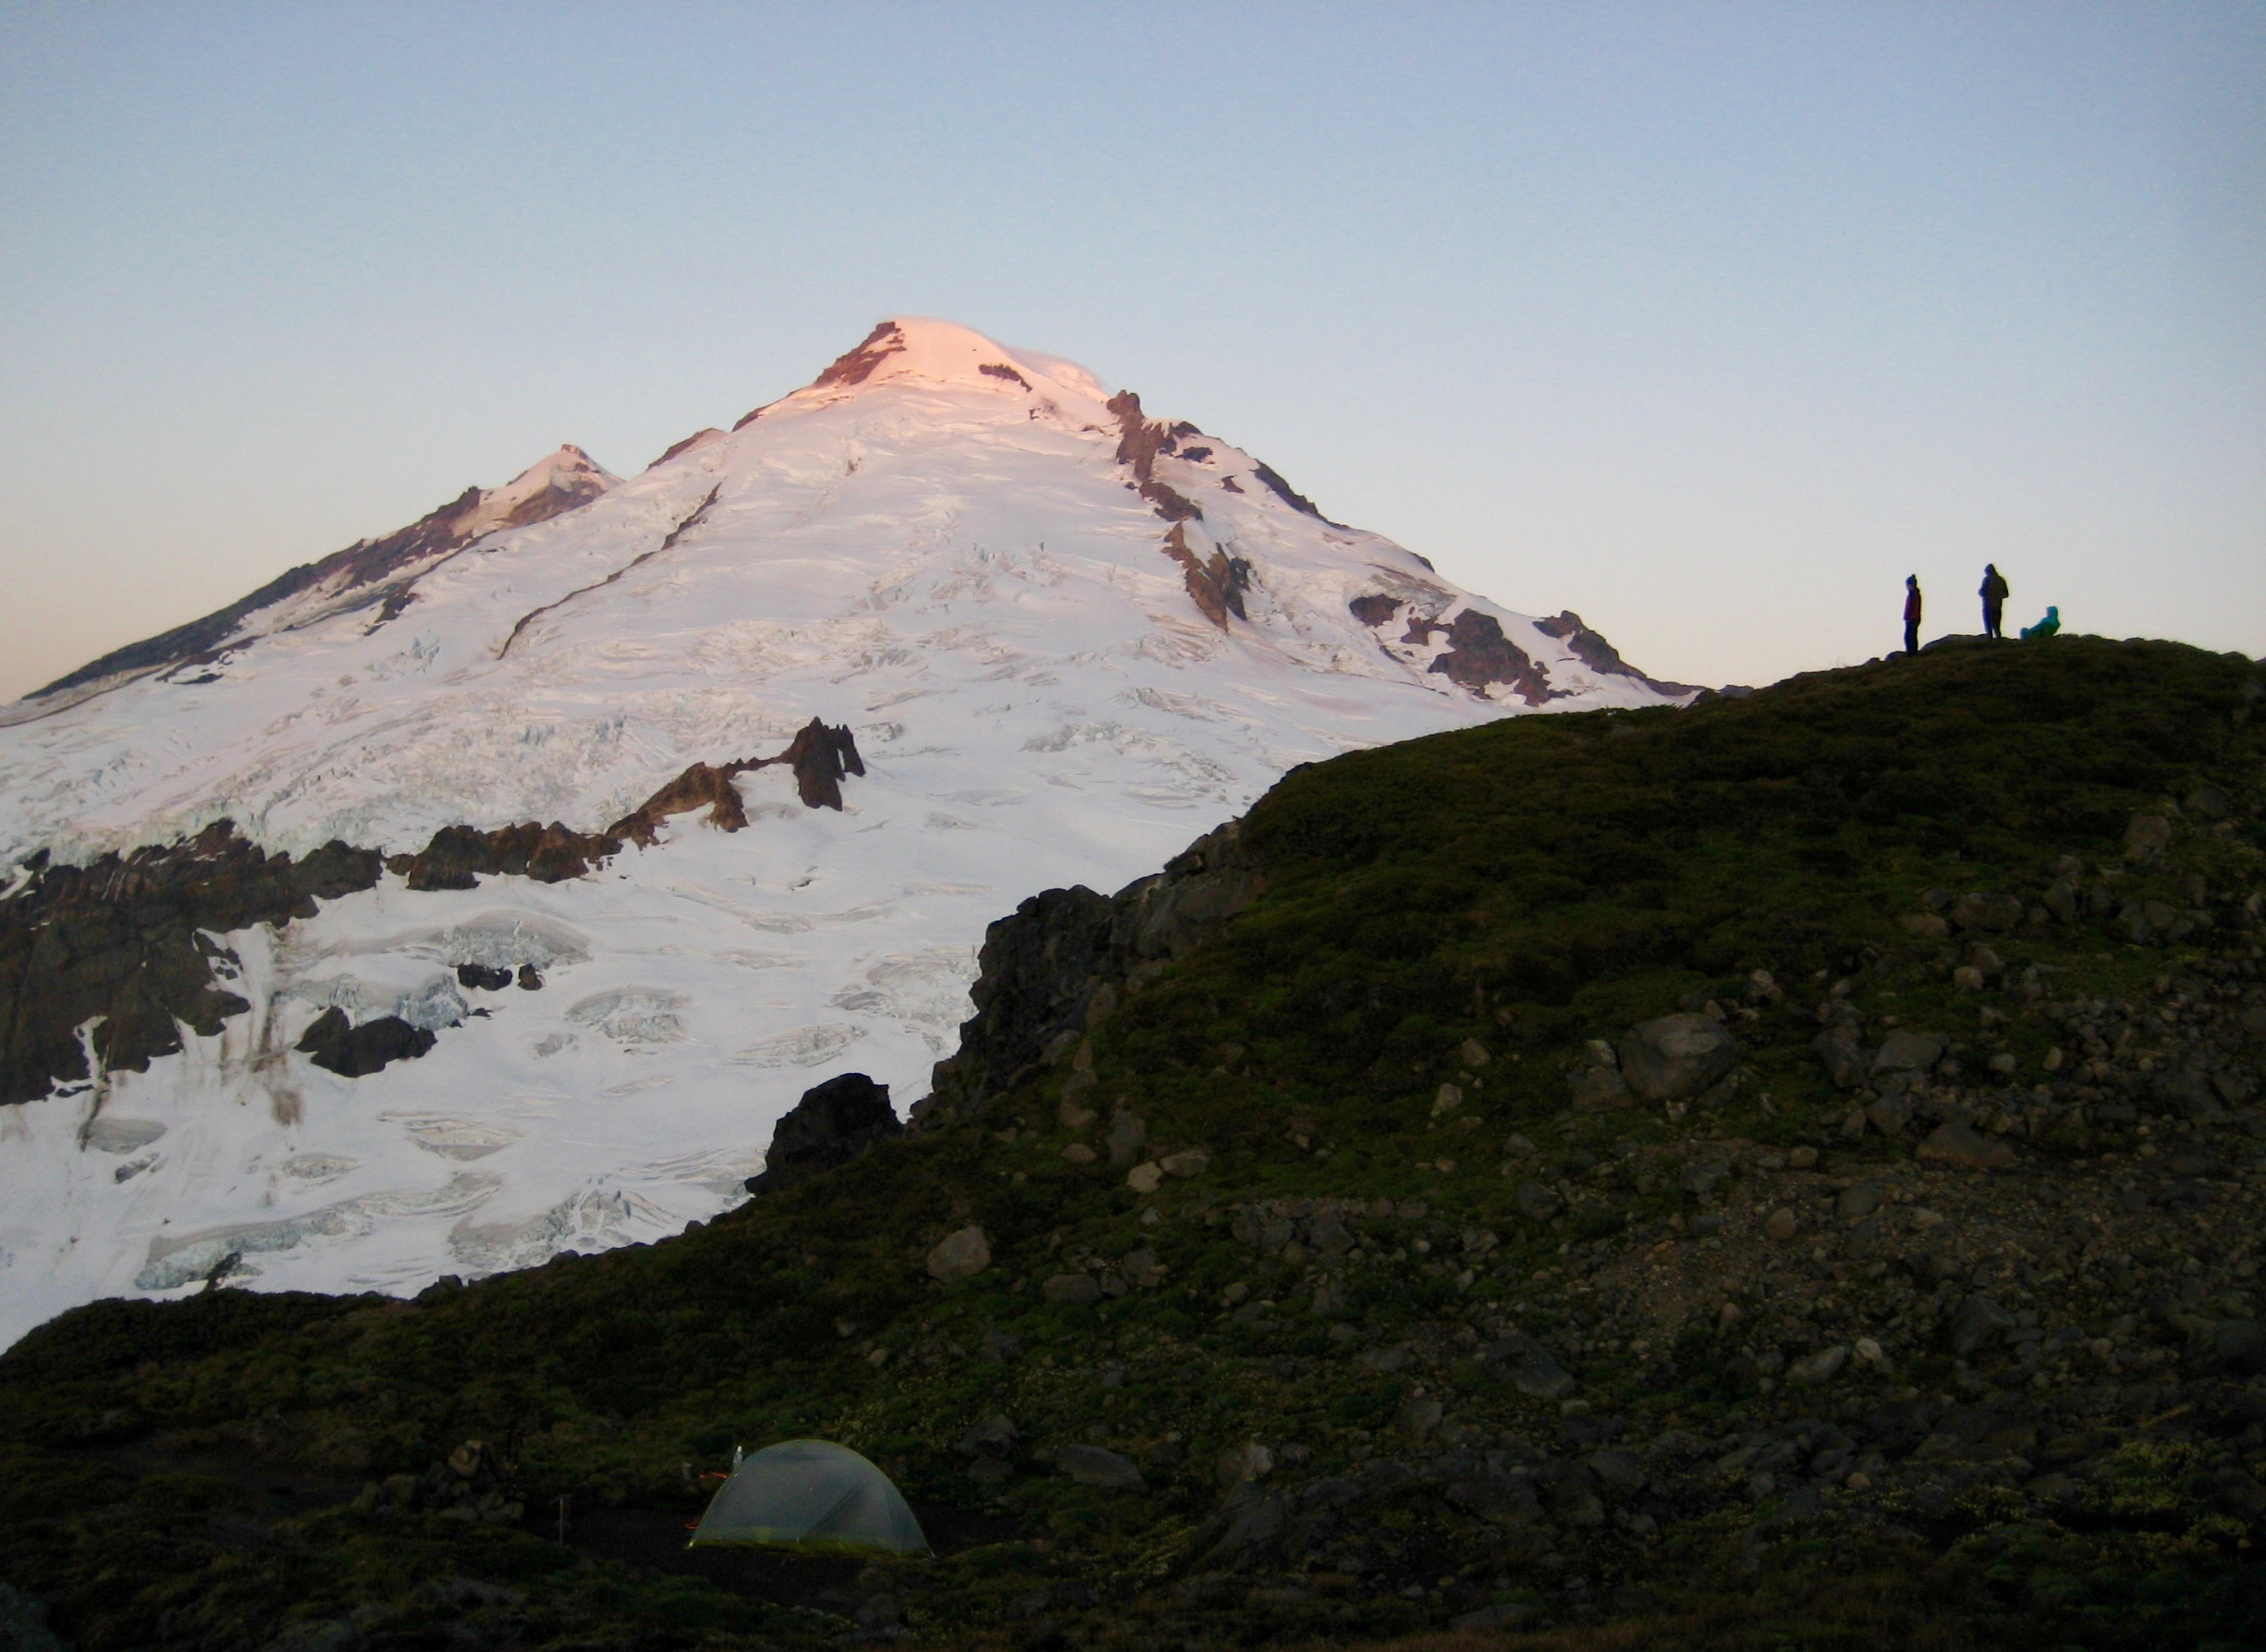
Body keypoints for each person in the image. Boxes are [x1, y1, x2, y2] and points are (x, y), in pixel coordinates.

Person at [1979, 563, 2010, 638]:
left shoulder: (1987, 580)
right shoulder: (2001, 580)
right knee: (1997, 627)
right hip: (1998, 606)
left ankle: (1990, 640)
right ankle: (1998, 640)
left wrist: (1989, 595)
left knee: (1988, 626)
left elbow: (1981, 592)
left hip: (1988, 606)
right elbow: (2006, 594)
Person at [1903, 575, 1922, 655]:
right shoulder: (1913, 594)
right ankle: (1911, 652)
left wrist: (1910, 618)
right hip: (1911, 618)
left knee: (1910, 636)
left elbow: (1914, 607)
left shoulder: (1914, 594)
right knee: (1910, 636)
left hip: (1913, 619)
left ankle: (1912, 652)